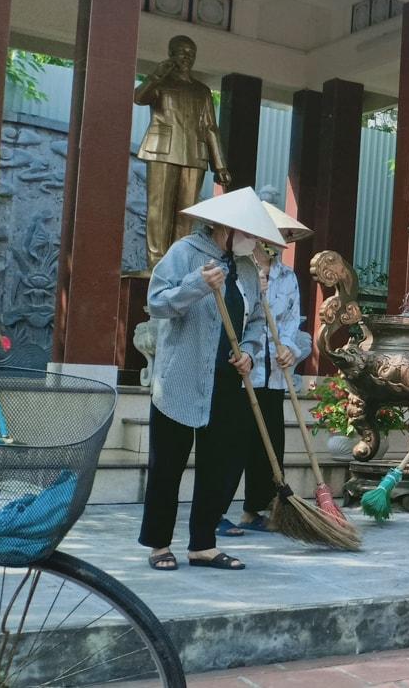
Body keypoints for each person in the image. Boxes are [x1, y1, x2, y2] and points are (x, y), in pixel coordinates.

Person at [138, 188, 285, 571]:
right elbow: (156, 301)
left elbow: (254, 322)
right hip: (180, 380)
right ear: (226, 229)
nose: (254, 243)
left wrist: (250, 351)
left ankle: (203, 544)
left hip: (228, 381)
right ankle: (158, 545)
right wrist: (197, 285)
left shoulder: (247, 269)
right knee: (167, 465)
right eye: (249, 235)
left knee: (220, 465)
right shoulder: (185, 253)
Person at [216, 203, 313, 535]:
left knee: (270, 442)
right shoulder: (239, 271)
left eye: (285, 237)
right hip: (243, 371)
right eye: (276, 235)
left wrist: (289, 349)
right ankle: (214, 511)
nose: (280, 241)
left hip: (274, 375)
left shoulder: (288, 277)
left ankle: (256, 508)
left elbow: (289, 322)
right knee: (234, 443)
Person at [134, 35, 231, 270]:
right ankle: (156, 265)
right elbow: (139, 97)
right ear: (171, 54)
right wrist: (156, 75)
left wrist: (220, 165)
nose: (187, 57)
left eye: (191, 53)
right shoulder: (160, 84)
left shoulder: (202, 91)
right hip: (162, 151)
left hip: (194, 156)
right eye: (181, 52)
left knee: (186, 215)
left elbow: (210, 127)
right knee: (159, 210)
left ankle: (177, 265)